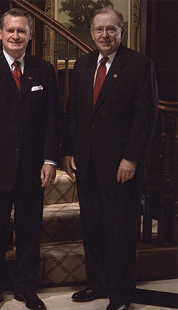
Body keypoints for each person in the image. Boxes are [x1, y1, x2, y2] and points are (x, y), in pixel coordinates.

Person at [61, 7, 158, 310]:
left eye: (110, 29)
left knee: (120, 232)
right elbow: (73, 113)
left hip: (120, 167)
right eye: (99, 30)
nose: (104, 35)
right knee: (92, 228)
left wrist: (131, 159)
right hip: (87, 164)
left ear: (121, 31)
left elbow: (146, 118)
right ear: (91, 33)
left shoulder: (140, 65)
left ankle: (120, 294)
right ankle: (96, 284)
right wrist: (68, 151)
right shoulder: (84, 64)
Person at [0, 8, 60, 310]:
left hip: (33, 168)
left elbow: (52, 120)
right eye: (11, 31)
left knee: (30, 229)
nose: (16, 36)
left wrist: (50, 160)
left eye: (21, 31)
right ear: (0, 34)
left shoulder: (43, 69)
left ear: (30, 35)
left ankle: (26, 287)